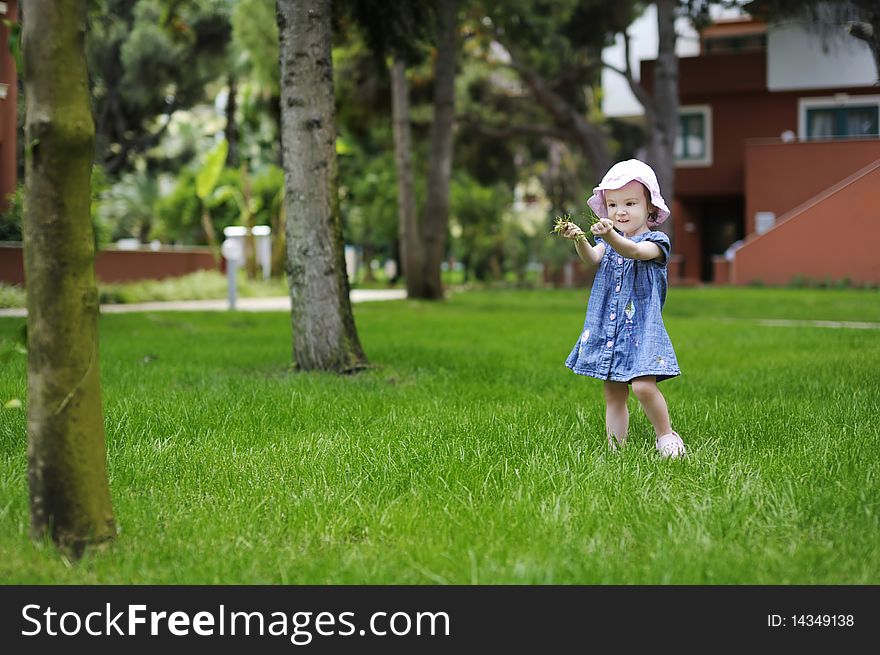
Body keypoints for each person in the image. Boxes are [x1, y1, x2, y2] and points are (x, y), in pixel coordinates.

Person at [558, 159, 686, 458]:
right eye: (613, 205)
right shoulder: (608, 242)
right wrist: (579, 238)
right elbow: (591, 258)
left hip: (641, 329)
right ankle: (616, 449)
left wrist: (610, 235)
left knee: (642, 387)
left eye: (630, 203)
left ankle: (666, 436)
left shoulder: (656, 242)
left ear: (650, 207)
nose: (621, 211)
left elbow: (634, 251)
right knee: (614, 391)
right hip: (611, 328)